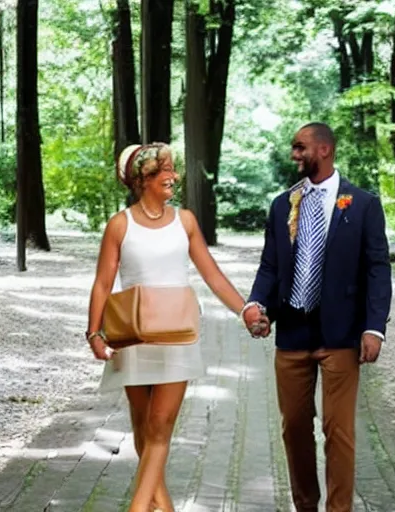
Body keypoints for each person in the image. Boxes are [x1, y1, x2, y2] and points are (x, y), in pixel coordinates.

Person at [86, 142, 251, 512]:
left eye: (172, 170)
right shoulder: (120, 225)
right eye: (164, 171)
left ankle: (138, 507)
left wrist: (246, 311)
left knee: (161, 423)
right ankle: (163, 506)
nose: (173, 177)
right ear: (142, 177)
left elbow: (212, 275)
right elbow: (102, 283)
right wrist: (94, 333)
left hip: (178, 334)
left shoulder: (186, 221)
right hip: (132, 334)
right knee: (143, 426)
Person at [242, 123, 392, 512]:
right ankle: (305, 505)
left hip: (342, 334)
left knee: (338, 431)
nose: (294, 154)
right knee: (294, 428)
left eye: (300, 147)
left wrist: (374, 327)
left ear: (324, 149)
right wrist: (257, 306)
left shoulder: (362, 204)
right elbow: (270, 266)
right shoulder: (282, 205)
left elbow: (377, 268)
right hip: (291, 333)